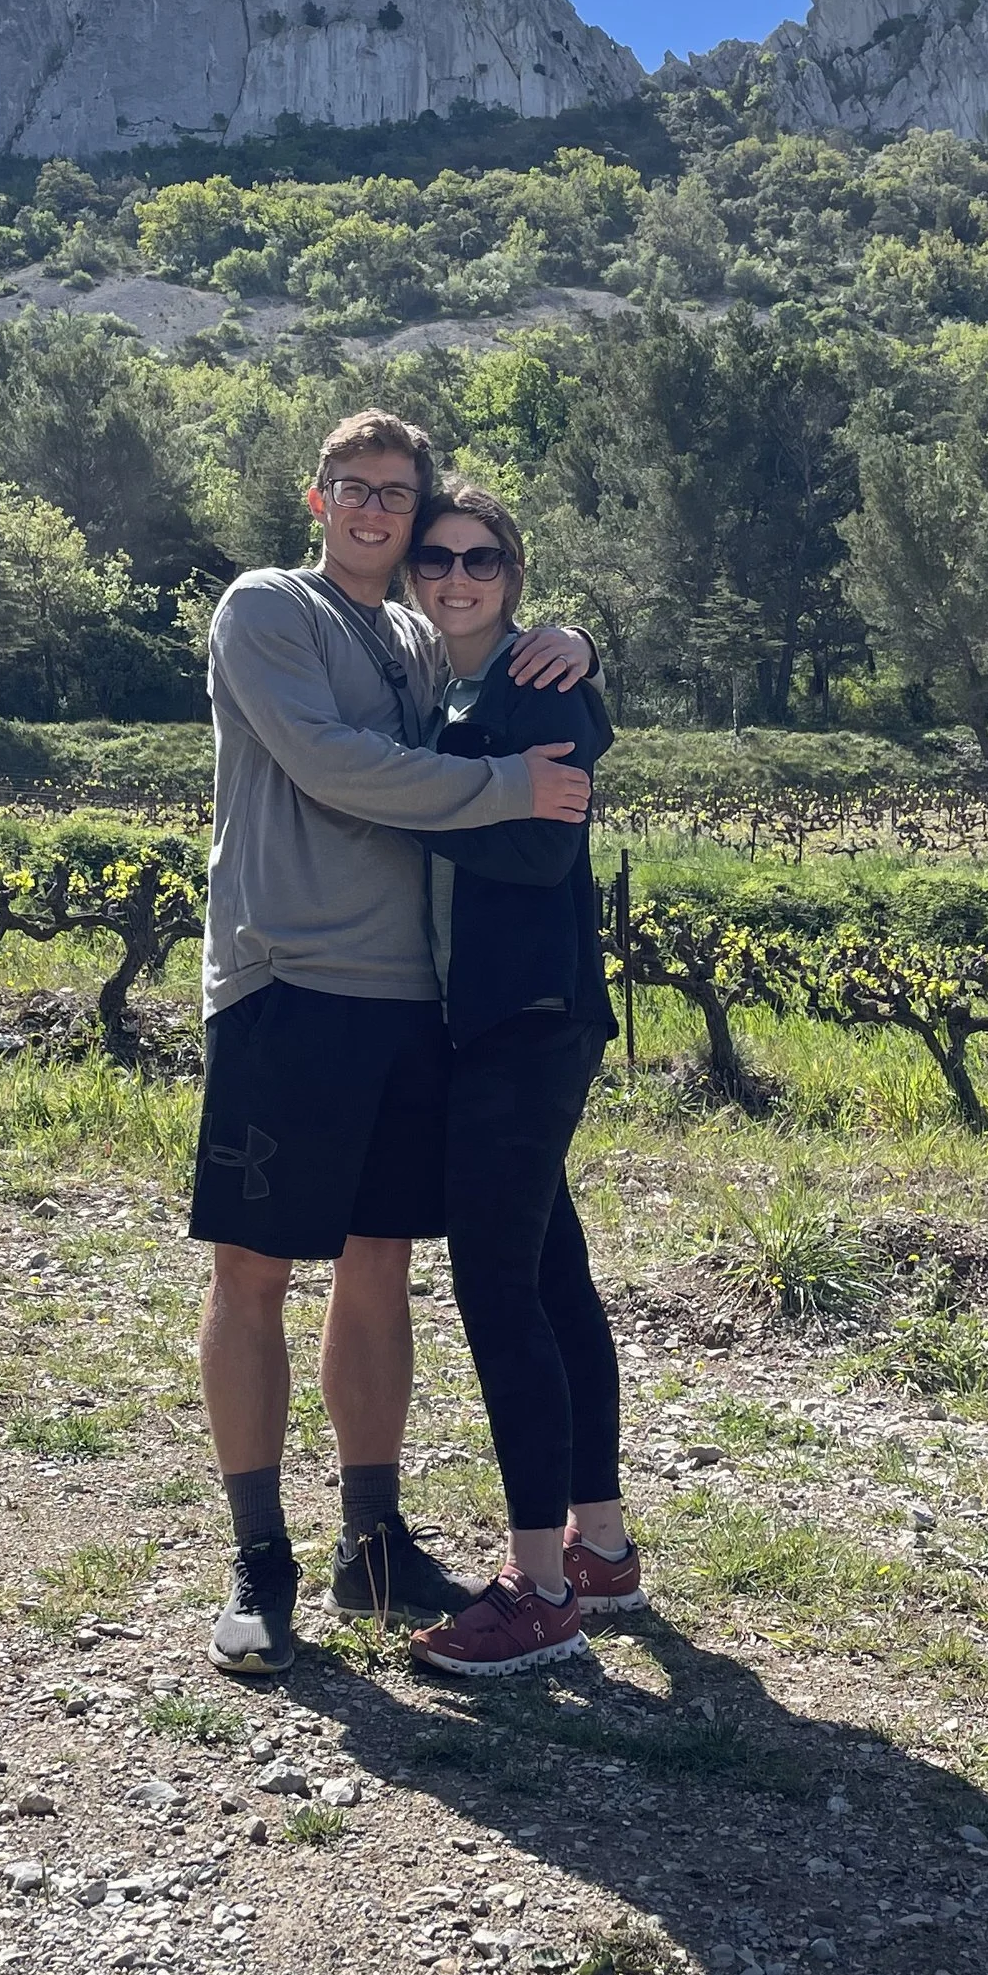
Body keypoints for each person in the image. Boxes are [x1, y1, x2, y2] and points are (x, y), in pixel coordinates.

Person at [194, 410, 597, 1676]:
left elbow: (504, 644)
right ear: (317, 502)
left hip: (408, 1001)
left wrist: (577, 642)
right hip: (286, 977)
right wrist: (503, 793)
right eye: (352, 490)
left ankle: (370, 1541)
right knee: (255, 1270)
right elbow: (330, 766)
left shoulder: (423, 633)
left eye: (396, 495)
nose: (375, 511)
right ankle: (260, 1561)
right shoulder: (269, 609)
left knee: (379, 1269)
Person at [398, 485, 641, 1681]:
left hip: (527, 1021)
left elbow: (543, 841)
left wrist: (389, 798)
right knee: (551, 1273)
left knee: (497, 1288)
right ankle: (598, 1550)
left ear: (513, 575)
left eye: (481, 559)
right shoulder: (430, 683)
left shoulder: (534, 680)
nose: (457, 575)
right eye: (437, 556)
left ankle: (538, 1590)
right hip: (487, 1021)